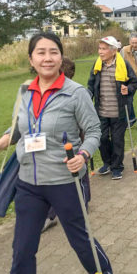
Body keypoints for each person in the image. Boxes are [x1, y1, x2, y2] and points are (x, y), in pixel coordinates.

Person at [0, 33, 113, 274]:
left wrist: (83, 155)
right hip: (28, 183)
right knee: (22, 248)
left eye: (53, 52)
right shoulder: (24, 91)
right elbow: (17, 129)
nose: (47, 58)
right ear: (31, 59)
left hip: (65, 181)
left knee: (81, 242)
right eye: (41, 52)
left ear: (61, 58)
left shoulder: (76, 93)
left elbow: (93, 131)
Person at [42, 56, 91, 232]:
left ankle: (82, 205)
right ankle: (50, 214)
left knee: (79, 177)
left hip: (74, 145)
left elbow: (88, 124)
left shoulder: (78, 93)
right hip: (50, 149)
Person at [87, 36, 137, 180]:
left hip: (119, 111)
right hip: (101, 111)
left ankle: (117, 167)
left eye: (103, 49)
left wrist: (127, 89)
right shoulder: (97, 66)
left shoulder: (124, 65)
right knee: (102, 138)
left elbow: (134, 82)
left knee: (117, 140)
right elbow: (91, 85)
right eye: (99, 48)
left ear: (113, 50)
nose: (100, 52)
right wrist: (87, 96)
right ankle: (107, 163)